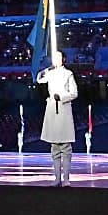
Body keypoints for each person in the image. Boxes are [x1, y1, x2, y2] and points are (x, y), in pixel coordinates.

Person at [37, 51, 78, 185]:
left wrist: (62, 97)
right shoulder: (50, 73)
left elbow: (74, 93)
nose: (57, 60)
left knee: (65, 146)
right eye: (55, 58)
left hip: (64, 110)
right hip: (52, 111)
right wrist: (46, 69)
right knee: (54, 146)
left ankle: (66, 179)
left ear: (64, 59)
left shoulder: (68, 74)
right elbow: (39, 79)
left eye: (59, 57)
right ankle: (57, 178)